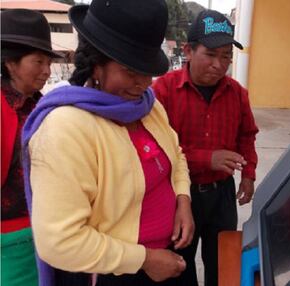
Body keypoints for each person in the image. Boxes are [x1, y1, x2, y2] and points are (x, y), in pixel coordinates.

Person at [21, 0, 194, 285]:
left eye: (147, 70)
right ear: (95, 64)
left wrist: (182, 200)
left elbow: (176, 155)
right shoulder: (66, 128)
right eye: (130, 70)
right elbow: (60, 241)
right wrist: (146, 260)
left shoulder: (149, 108)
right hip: (114, 273)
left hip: (166, 259)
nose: (143, 83)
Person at [152, 9, 259, 286]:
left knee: (223, 264)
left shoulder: (237, 93)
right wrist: (205, 159)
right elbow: (155, 150)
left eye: (226, 56)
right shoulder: (162, 91)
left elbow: (247, 135)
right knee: (179, 265)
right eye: (211, 55)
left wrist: (249, 173)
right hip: (178, 197)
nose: (219, 65)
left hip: (222, 195)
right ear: (188, 50)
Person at [1, 9, 62, 286]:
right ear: (11, 63)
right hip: (11, 243)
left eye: (48, 62)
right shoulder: (4, 109)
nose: (47, 71)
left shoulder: (37, 106)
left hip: (43, 233)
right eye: (38, 61)